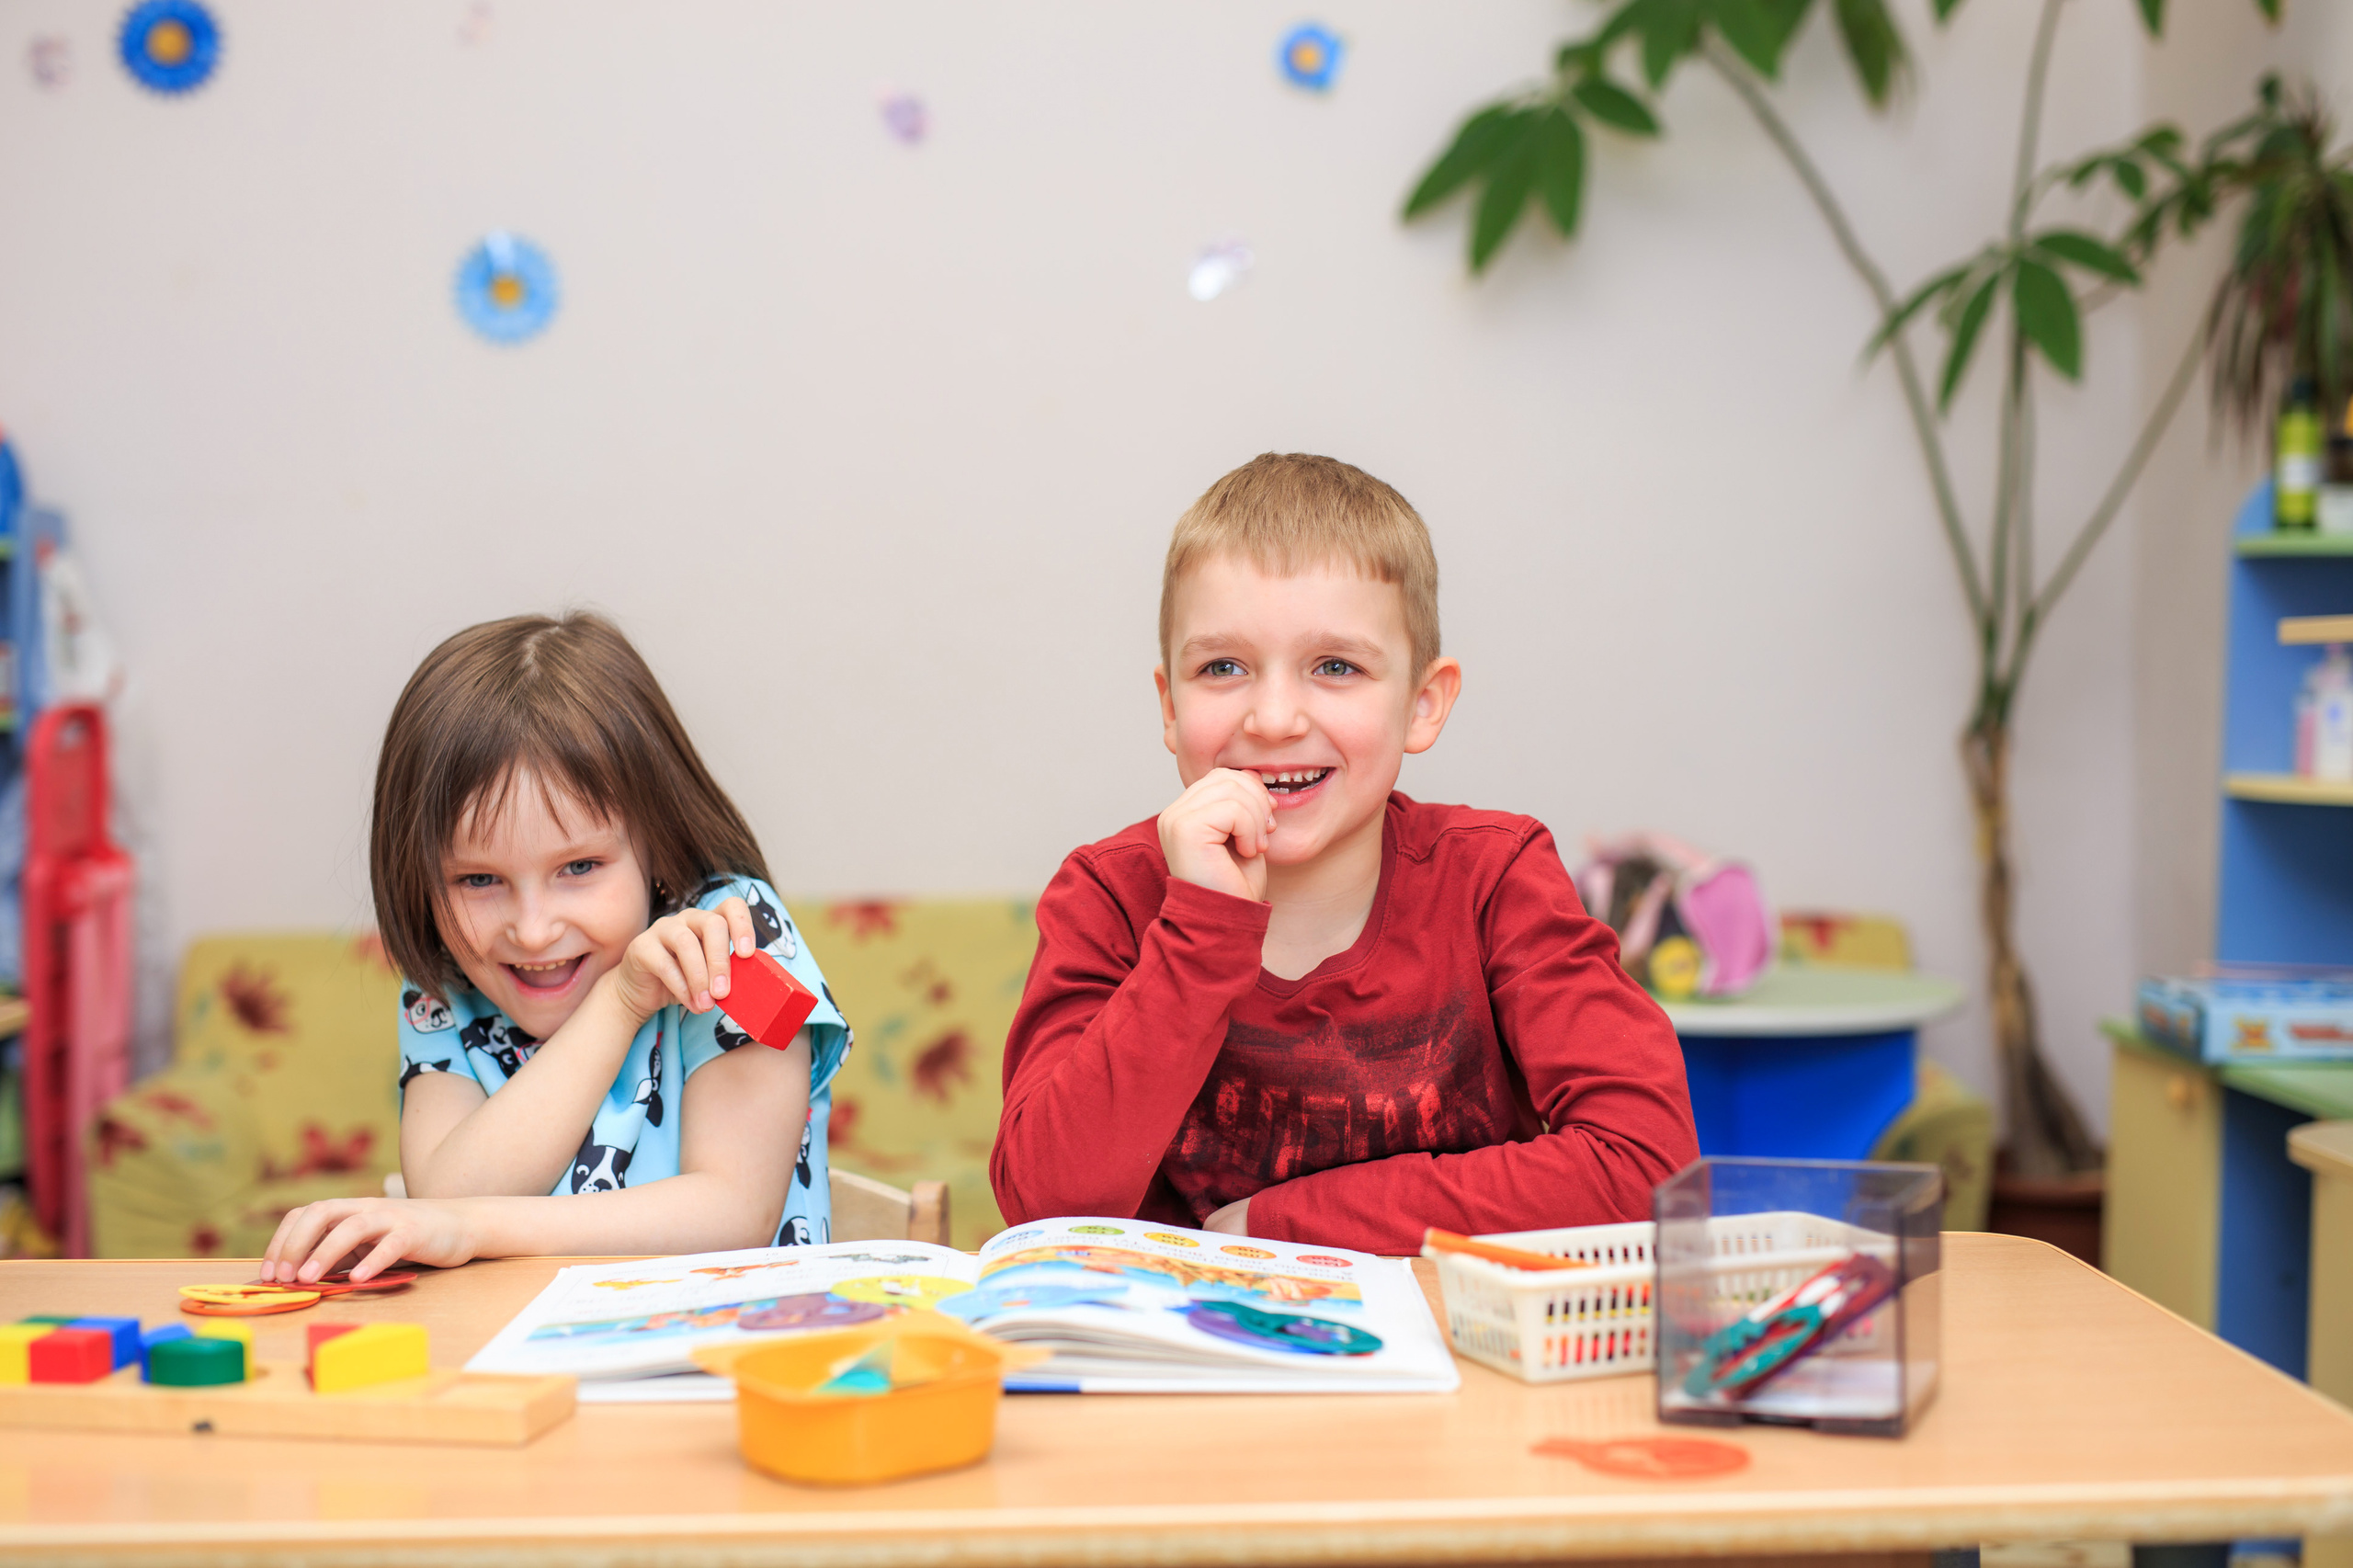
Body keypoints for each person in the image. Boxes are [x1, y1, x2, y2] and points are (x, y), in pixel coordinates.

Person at [991, 453, 1697, 1254]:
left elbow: (1647, 1168)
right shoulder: (1108, 895)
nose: (1276, 716)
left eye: (1336, 667)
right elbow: (1047, 1204)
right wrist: (1201, 931)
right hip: (1185, 1366)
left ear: (1422, 705)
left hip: (1450, 1365)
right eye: (1223, 667)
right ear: (1170, 704)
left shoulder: (1495, 879)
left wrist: (1286, 1225)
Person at [261, 612, 850, 1283]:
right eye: (479, 879)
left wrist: (475, 1228)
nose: (533, 930)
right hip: (524, 1363)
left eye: (579, 868)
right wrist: (616, 1005)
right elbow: (449, 1197)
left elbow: (732, 1210)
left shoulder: (727, 937)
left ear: (655, 843)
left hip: (730, 1365)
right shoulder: (448, 985)